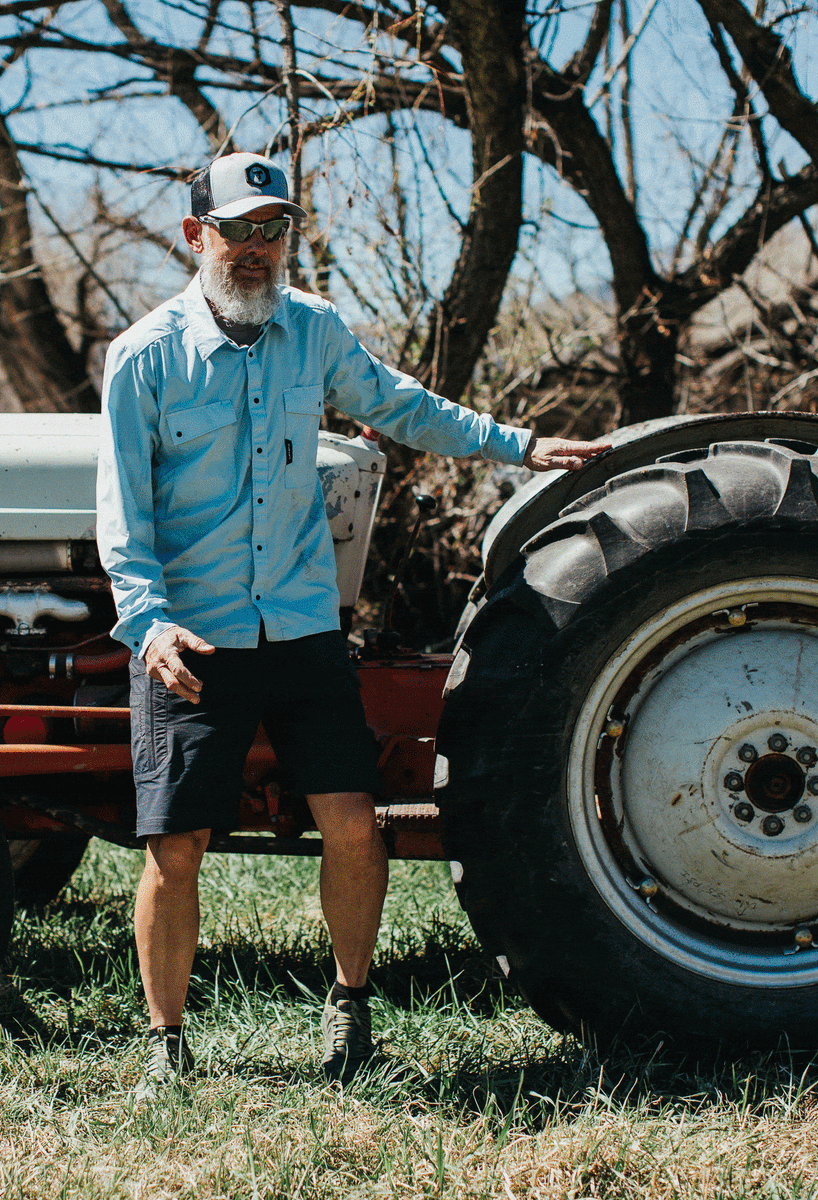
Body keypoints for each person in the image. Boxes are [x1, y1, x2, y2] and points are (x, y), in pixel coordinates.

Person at [96, 152, 607, 1093]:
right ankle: (167, 1047)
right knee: (175, 847)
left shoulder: (314, 331)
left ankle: (350, 1009)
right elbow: (122, 517)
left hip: (299, 628)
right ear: (193, 237)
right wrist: (150, 625)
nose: (255, 250)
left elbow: (403, 407)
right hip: (191, 641)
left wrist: (520, 447)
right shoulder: (144, 359)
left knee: (355, 823)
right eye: (237, 230)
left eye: (272, 230)